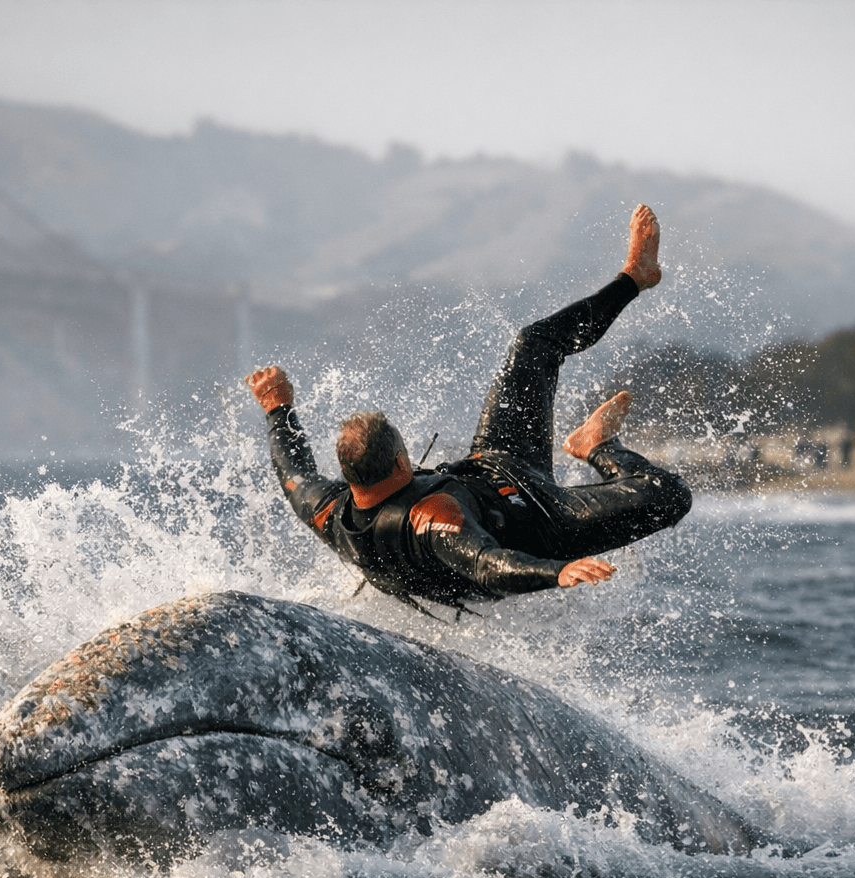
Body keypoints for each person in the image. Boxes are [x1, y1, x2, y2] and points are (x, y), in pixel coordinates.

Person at [246, 204, 691, 615]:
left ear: (348, 476)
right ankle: (598, 446)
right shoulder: (434, 517)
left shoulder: (328, 511)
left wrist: (277, 409)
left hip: (492, 468)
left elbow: (293, 473)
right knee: (670, 495)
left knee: (533, 344)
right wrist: (557, 571)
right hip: (545, 521)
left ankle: (635, 276)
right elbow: (487, 564)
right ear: (399, 462)